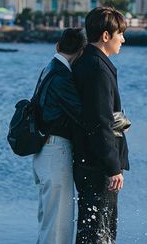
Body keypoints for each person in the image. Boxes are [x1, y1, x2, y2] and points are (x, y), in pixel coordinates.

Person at [72, 7, 130, 244]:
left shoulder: (89, 61)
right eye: (120, 34)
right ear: (106, 36)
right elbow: (99, 122)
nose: (123, 39)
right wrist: (113, 166)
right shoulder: (96, 67)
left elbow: (99, 115)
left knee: (95, 227)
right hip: (97, 164)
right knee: (98, 230)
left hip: (90, 159)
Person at [33, 28, 87, 244]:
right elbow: (81, 114)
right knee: (58, 226)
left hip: (43, 150)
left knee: (48, 221)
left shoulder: (48, 68)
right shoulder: (62, 76)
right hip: (56, 150)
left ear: (58, 46)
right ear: (81, 51)